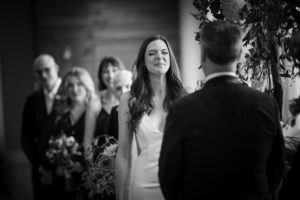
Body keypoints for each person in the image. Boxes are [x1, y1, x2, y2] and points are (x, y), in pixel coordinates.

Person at [158, 20, 285, 200]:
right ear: (240, 55)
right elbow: (276, 168)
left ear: (203, 55)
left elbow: (168, 176)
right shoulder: (266, 104)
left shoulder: (182, 110)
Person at [115, 35, 186, 200]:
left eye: (164, 52)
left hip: (179, 183)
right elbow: (124, 153)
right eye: (152, 53)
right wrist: (119, 196)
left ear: (170, 59)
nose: (159, 57)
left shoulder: (185, 96)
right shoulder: (129, 99)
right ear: (143, 62)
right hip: (142, 185)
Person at [38, 67, 99, 200]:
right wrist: (55, 167)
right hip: (60, 183)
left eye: (79, 84)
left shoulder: (96, 112)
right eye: (70, 85)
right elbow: (43, 147)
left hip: (88, 181)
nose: (75, 89)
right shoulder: (57, 114)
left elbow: (100, 145)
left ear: (87, 86)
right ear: (65, 88)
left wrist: (82, 165)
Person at [21, 54, 61, 200]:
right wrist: (40, 166)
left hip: (68, 172)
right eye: (39, 72)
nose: (43, 75)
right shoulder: (31, 101)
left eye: (47, 69)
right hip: (41, 173)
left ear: (56, 68)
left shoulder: (72, 93)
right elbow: (26, 138)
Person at [94, 56, 125, 137]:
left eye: (114, 70)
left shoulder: (130, 100)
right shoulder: (94, 103)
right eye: (105, 72)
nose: (111, 75)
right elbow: (88, 141)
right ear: (100, 76)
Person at [106, 69, 133, 139]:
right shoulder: (114, 111)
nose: (123, 91)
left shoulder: (144, 109)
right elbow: (109, 140)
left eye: (127, 86)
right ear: (114, 92)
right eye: (118, 88)